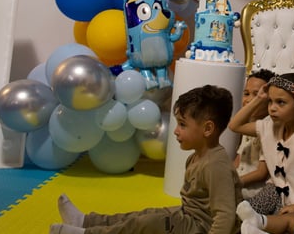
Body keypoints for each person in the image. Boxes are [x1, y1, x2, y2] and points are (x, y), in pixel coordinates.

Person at [49, 85, 242, 234]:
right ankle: (86, 222)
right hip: (189, 217)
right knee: (144, 215)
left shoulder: (217, 166)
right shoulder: (196, 157)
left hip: (200, 228)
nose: (175, 130)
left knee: (145, 224)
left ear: (207, 129)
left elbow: (225, 215)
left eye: (182, 125)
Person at [229, 73, 294, 213]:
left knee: (277, 223)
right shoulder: (268, 127)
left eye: (280, 102)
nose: (272, 108)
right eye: (270, 101)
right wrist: (259, 98)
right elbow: (235, 126)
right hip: (274, 192)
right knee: (243, 214)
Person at [235, 69, 275, 204]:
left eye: (257, 95)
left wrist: (235, 182)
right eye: (246, 94)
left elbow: (262, 173)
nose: (249, 100)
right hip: (239, 185)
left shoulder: (270, 127)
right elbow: (239, 158)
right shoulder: (247, 124)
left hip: (254, 192)